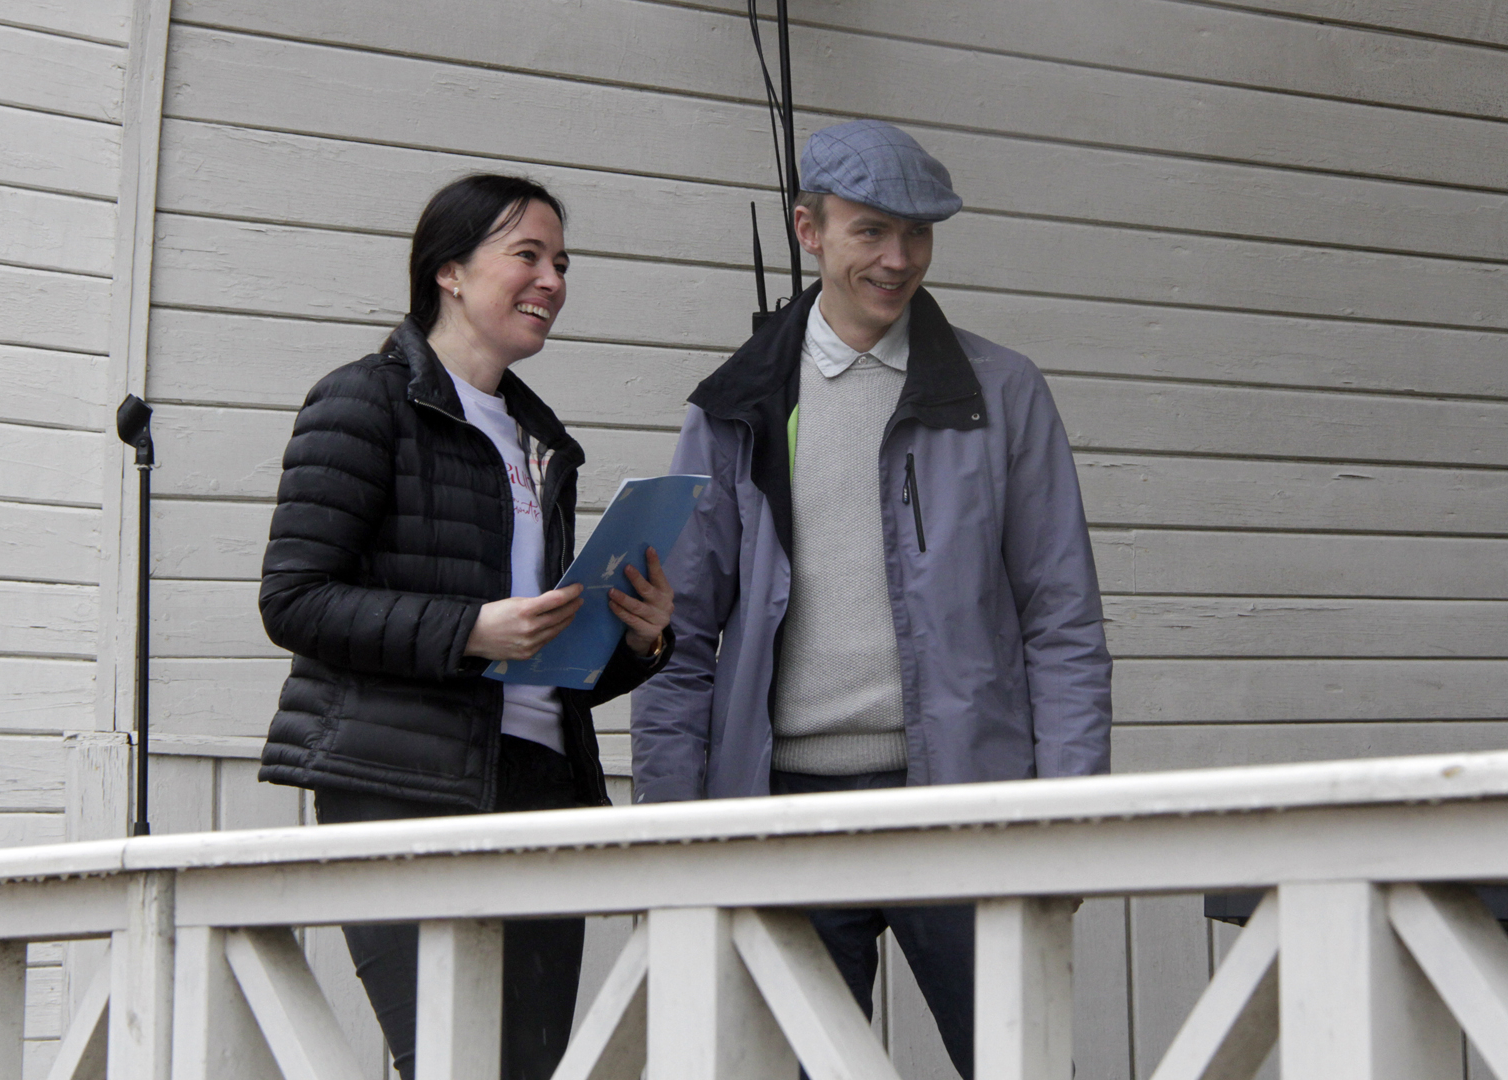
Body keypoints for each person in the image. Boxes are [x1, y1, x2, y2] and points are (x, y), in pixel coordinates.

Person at [629, 120, 1111, 1078]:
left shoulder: (1003, 392)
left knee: (1021, 1066)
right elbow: (675, 636)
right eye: (871, 232)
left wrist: (1069, 817)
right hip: (783, 817)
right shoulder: (734, 403)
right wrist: (667, 831)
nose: (898, 259)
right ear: (808, 231)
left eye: (917, 233)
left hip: (968, 811)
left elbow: (1062, 622)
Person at [257, 174, 675, 1080]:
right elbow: (293, 599)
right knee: (451, 1063)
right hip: (401, 780)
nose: (552, 280)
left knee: (526, 1068)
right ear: (448, 271)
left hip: (541, 784)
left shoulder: (541, 441)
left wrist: (638, 639)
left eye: (561, 262)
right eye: (527, 255)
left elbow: (539, 658)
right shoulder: (363, 400)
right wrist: (468, 631)